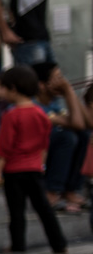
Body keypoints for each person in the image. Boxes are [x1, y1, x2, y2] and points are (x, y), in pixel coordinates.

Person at [0, 66, 68, 254]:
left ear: (13, 89)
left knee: (16, 211)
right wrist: (41, 164)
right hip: (34, 168)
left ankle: (18, 245)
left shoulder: (11, 115)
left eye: (5, 88)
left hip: (14, 170)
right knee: (43, 208)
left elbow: (4, 147)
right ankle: (59, 244)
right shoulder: (41, 113)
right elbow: (44, 143)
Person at [32, 62, 89, 214]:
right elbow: (77, 123)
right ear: (42, 85)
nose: (62, 81)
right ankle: (51, 191)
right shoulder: (36, 106)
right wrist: (68, 91)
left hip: (49, 151)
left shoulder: (54, 104)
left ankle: (70, 190)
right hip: (36, 153)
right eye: (57, 78)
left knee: (85, 136)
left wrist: (69, 92)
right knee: (67, 137)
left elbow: (85, 124)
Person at [0, 0, 53, 66]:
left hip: (43, 37)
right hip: (27, 40)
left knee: (53, 76)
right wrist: (5, 30)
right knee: (32, 76)